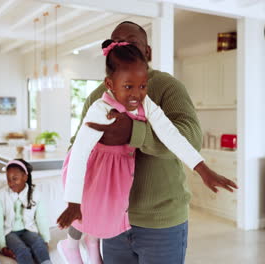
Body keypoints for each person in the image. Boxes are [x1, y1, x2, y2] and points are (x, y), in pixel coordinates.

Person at [68, 21, 237, 264]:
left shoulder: (165, 87)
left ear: (147, 52)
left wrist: (132, 133)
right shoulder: (97, 98)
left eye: (132, 45)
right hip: (113, 219)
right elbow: (76, 149)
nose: (125, 51)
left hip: (162, 222)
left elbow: (189, 137)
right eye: (118, 45)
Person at [0, 159, 52, 264]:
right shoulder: (1, 195)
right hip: (10, 232)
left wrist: (45, 239)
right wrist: (2, 246)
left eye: (15, 179)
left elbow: (41, 219)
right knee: (21, 250)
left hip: (29, 230)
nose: (11, 183)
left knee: (39, 244)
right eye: (8, 179)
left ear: (25, 177)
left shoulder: (36, 194)